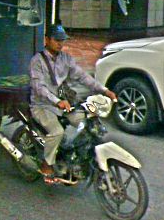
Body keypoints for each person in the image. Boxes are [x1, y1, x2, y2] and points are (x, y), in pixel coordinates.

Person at [28, 23, 116, 182]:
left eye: (62, 40)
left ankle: (75, 157)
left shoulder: (66, 59)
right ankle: (46, 164)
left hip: (65, 104)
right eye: (57, 40)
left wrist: (104, 90)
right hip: (43, 105)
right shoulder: (37, 61)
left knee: (87, 121)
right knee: (57, 132)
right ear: (46, 40)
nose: (60, 43)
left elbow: (83, 77)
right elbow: (39, 87)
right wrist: (57, 101)